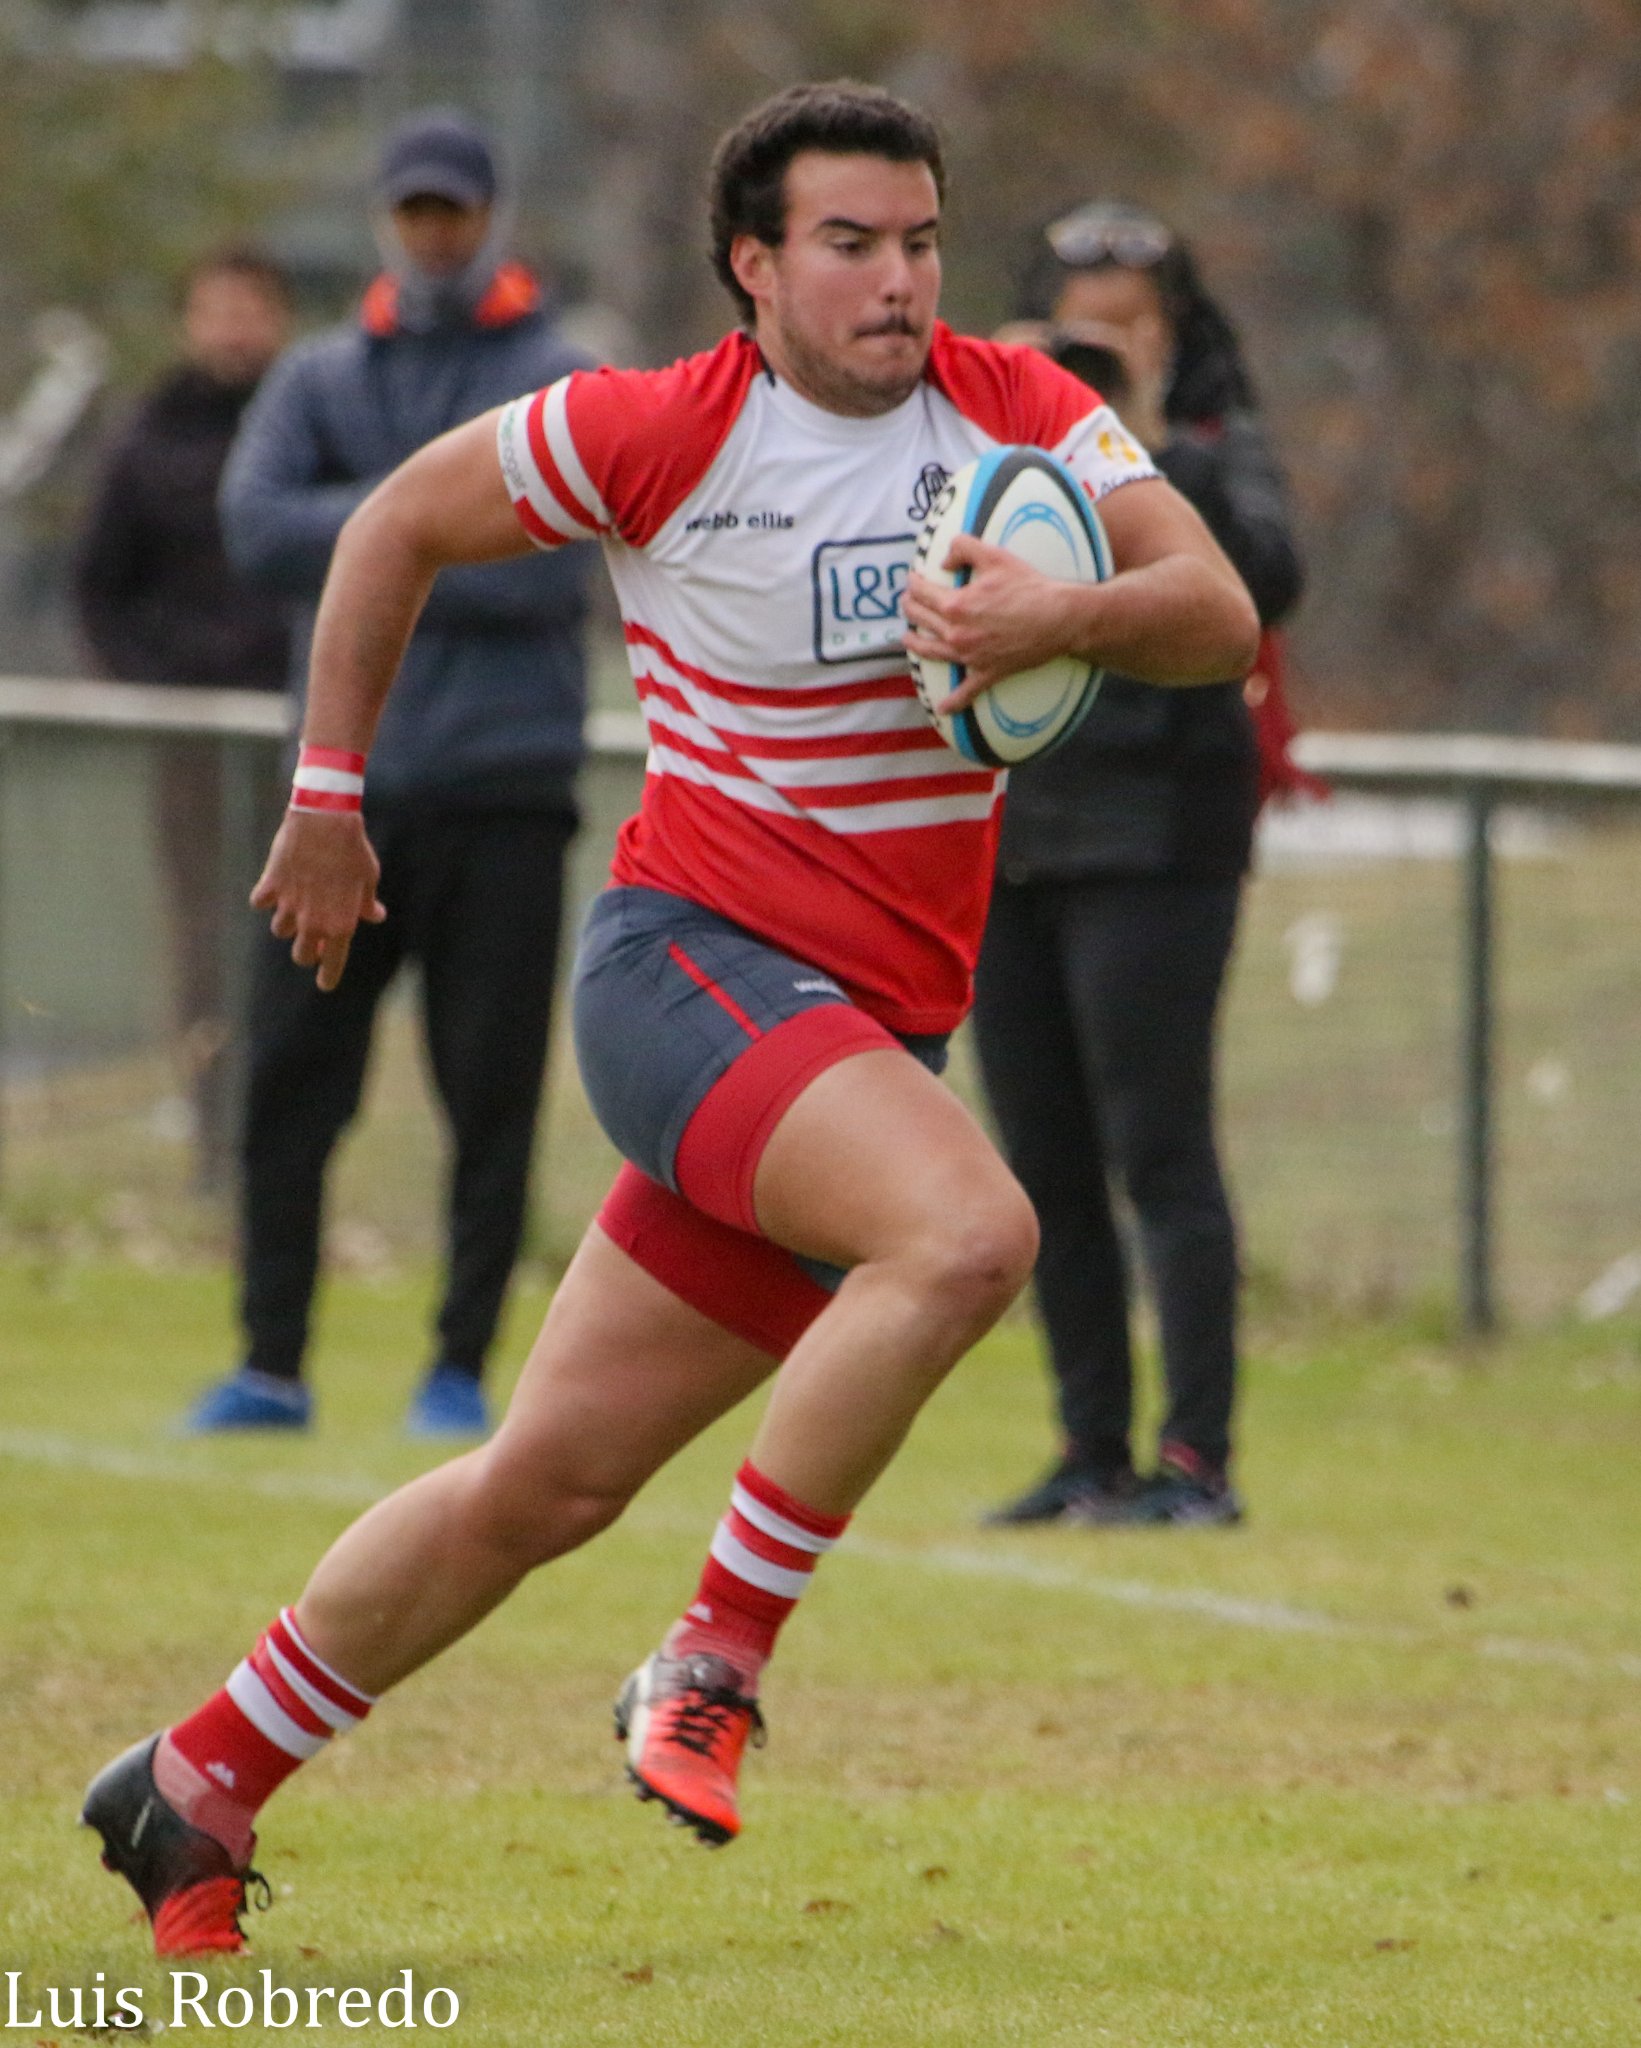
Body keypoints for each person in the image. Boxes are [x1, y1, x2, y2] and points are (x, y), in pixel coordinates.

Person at [81, 82, 1259, 1957]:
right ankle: (711, 1658)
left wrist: (1067, 612)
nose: (896, 281)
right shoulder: (652, 428)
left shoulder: (1020, 408)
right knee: (969, 1233)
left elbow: (1213, 607)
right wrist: (326, 791)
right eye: (851, 245)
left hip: (858, 1036)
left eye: (920, 240)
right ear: (755, 265)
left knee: (541, 1480)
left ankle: (193, 1778)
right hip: (689, 969)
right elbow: (389, 525)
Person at [183, 110, 594, 1439]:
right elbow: (252, 527)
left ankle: (459, 1365)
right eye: (413, 213)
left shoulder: (558, 377)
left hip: (502, 793)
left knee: (490, 1096)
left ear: (491, 218)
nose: (433, 237)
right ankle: (270, 1361)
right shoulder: (317, 375)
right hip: (341, 799)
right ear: (384, 220)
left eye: (454, 213)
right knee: (291, 1083)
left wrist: (375, 540)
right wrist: (427, 528)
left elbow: (561, 558)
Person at [976, 202, 1306, 1529]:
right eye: (1078, 333)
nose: (1101, 349)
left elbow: (1268, 580)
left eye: (1130, 326)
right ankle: (1089, 1448)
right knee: (1044, 1160)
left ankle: (1196, 1459)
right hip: (1016, 834)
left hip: (1161, 836)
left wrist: (1146, 436)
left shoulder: (1218, 450)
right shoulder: (1001, 455)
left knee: (1157, 1145)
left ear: (1176, 331)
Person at [75, 246, 294, 1187]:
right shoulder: (149, 435)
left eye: (251, 308)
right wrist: (157, 681)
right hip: (193, 740)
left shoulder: (307, 420)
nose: (234, 328)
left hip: (300, 740)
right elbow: (99, 586)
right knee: (205, 935)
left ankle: (286, 1140)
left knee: (293, 943)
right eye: (217, 309)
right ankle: (213, 1138)